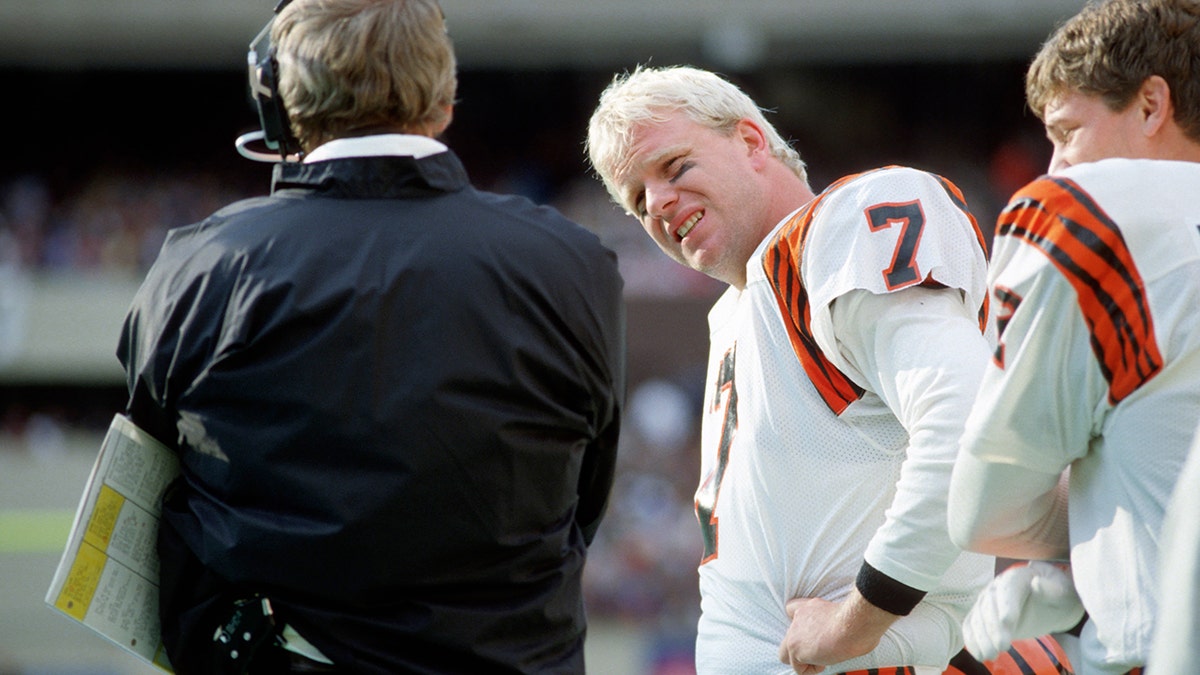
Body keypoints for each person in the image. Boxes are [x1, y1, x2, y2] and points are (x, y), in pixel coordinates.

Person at [117, 0, 626, 672]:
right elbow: (583, 500)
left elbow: (150, 481)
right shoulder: (570, 262)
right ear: (444, 103)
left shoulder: (199, 264)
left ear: (280, 104)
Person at [586, 65, 1069, 675]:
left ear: (751, 141)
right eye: (637, 199)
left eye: (675, 167)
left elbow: (964, 426)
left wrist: (858, 622)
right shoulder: (740, 307)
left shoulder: (836, 228)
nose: (656, 203)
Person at [947, 0, 1200, 672]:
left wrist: (1097, 546)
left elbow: (985, 510)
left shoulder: (1101, 215)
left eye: (1066, 132)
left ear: (1152, 105)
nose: (1055, 167)